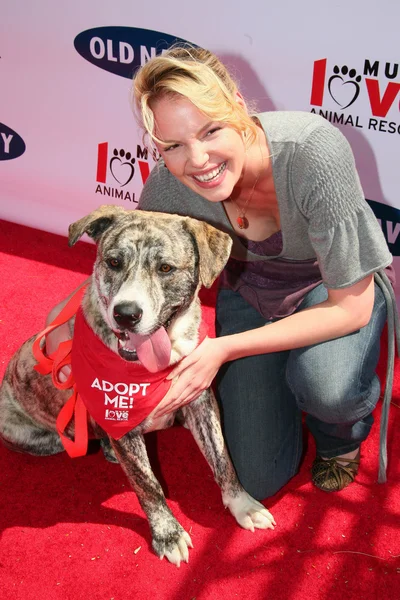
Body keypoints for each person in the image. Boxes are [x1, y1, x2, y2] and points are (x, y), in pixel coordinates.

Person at [48, 45, 396, 499]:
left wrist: (224, 350)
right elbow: (126, 268)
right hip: (251, 296)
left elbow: (350, 310)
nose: (197, 160)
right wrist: (61, 323)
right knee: (257, 478)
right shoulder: (169, 186)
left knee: (326, 385)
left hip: (329, 289)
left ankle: (339, 439)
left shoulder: (312, 152)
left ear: (235, 103)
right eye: (173, 146)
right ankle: (286, 383)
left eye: (210, 130)